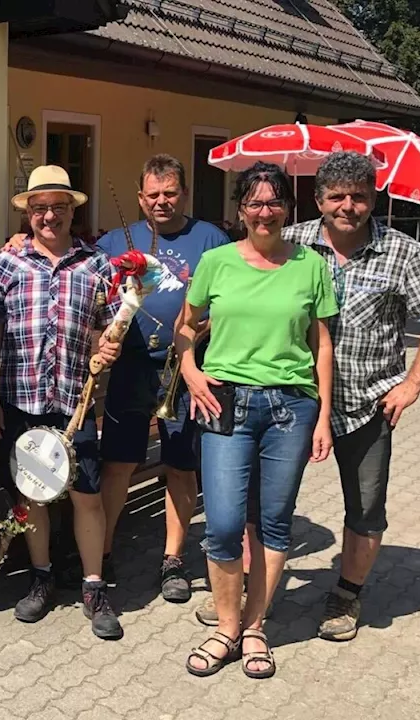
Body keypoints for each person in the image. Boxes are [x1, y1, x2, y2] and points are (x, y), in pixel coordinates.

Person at [283, 151, 420, 642]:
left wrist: (412, 384)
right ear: (318, 201)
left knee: (365, 507)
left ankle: (346, 594)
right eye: (336, 197)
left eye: (358, 197)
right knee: (268, 502)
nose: (347, 206)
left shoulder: (403, 253)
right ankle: (250, 589)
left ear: (372, 199)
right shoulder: (292, 244)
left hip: (368, 401)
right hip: (294, 400)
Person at [178, 162, 336, 680]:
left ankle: (255, 628)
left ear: (288, 209)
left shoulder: (311, 264)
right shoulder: (217, 262)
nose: (265, 212)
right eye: (255, 203)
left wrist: (324, 416)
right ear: (240, 210)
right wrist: (190, 371)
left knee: (272, 522)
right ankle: (225, 627)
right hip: (225, 404)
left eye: (274, 203)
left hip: (292, 407)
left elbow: (322, 344)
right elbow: (186, 326)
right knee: (222, 523)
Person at [0, 165, 125, 640]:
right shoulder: (6, 264)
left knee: (86, 494)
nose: (49, 216)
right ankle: (42, 577)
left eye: (59, 208)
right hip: (21, 398)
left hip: (75, 401)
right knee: (32, 494)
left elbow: (110, 328)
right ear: (28, 213)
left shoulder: (97, 264)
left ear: (73, 212)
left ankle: (93, 586)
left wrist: (107, 345)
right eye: (40, 208)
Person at [93, 154, 230, 602]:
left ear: (183, 193)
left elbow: (229, 299)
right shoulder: (115, 241)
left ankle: (172, 558)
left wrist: (208, 327)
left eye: (170, 193)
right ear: (140, 197)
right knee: (118, 463)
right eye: (153, 194)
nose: (162, 202)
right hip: (132, 368)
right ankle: (104, 548)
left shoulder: (210, 238)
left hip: (187, 369)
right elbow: (89, 295)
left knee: (180, 465)